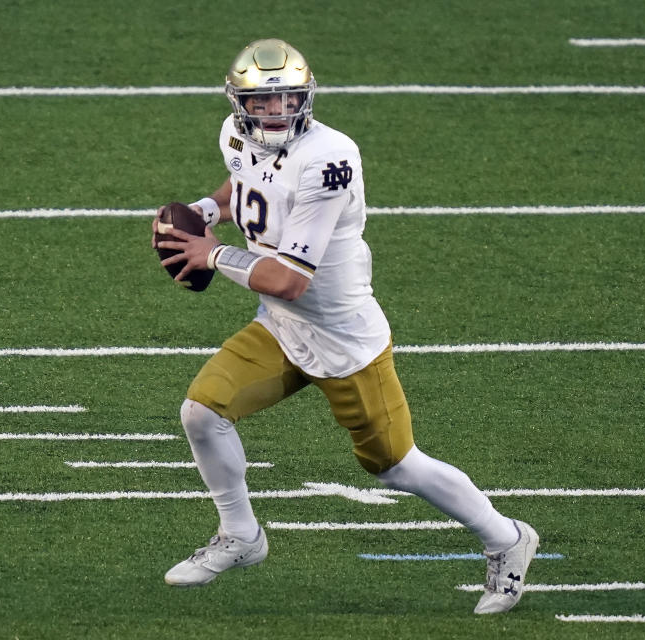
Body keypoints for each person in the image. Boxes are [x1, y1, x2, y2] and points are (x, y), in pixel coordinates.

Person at [153, 38, 538, 615]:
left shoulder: (330, 157)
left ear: (306, 98)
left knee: (396, 466)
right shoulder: (235, 134)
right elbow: (244, 184)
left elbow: (289, 280)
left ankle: (507, 539)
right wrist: (205, 212)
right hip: (282, 328)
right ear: (240, 104)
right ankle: (241, 536)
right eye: (263, 101)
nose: (277, 112)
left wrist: (210, 254)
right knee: (202, 413)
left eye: (287, 99)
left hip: (342, 334)